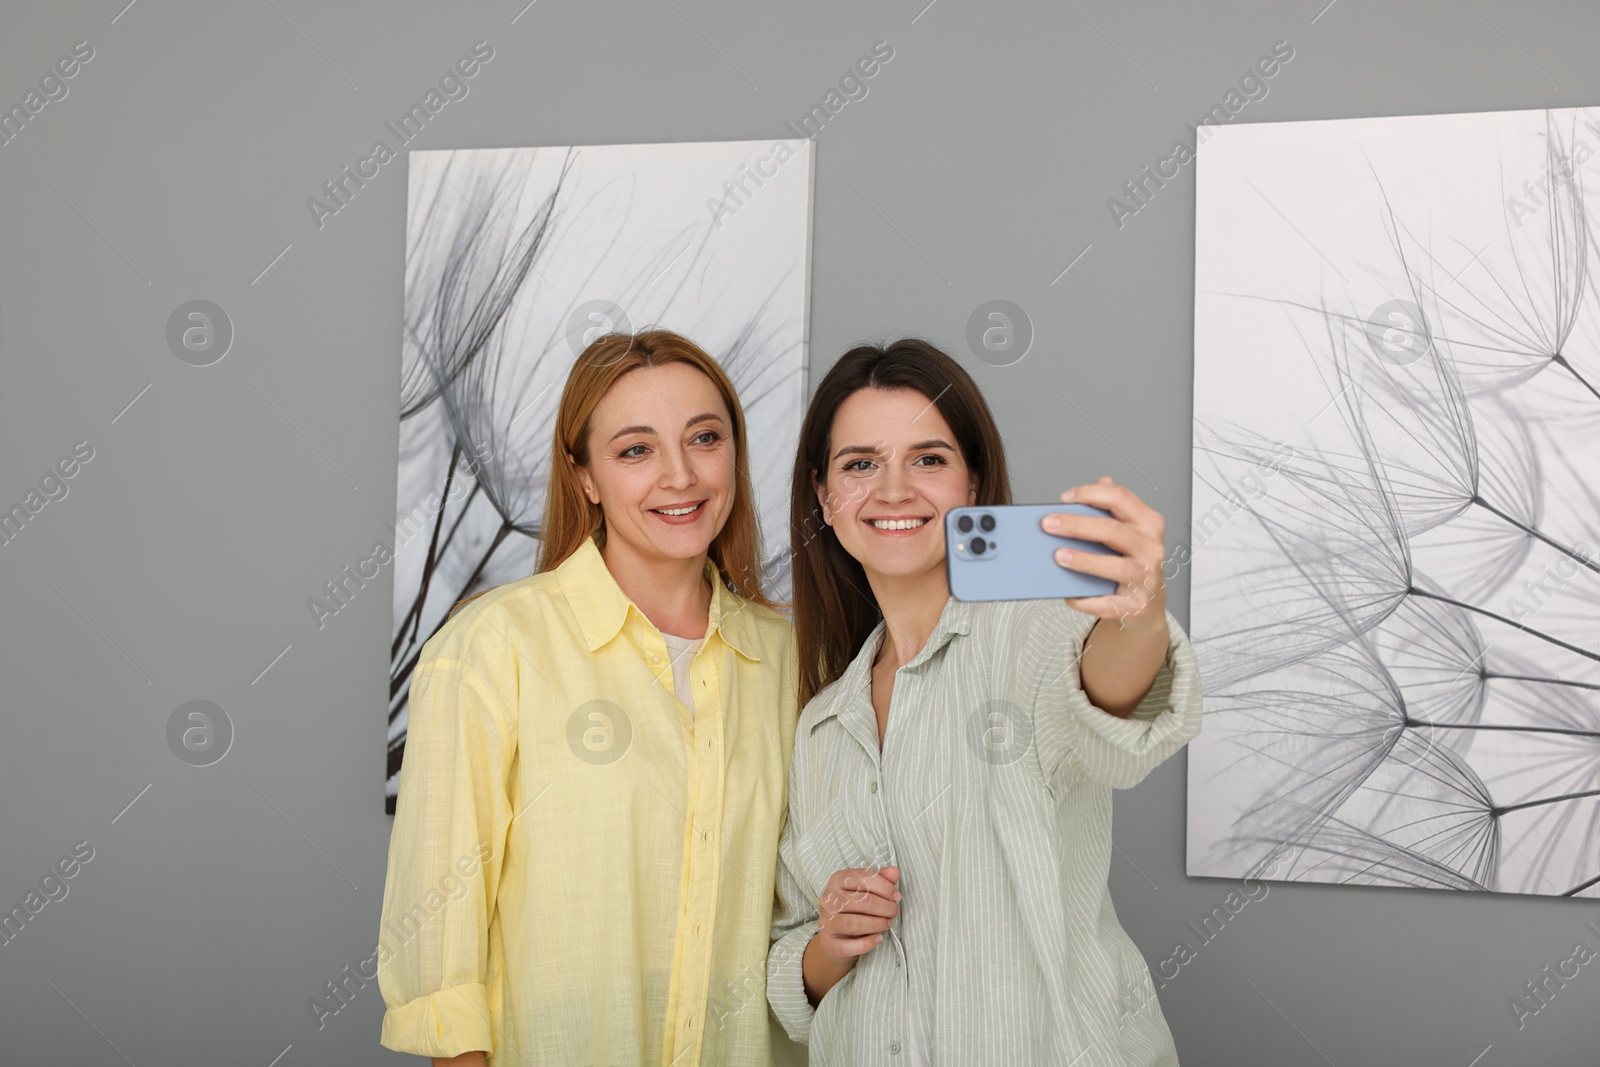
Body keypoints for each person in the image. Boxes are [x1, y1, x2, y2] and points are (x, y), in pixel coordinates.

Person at [766, 338, 1203, 1066]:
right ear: (823, 496)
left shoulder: (1037, 632)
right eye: (860, 464)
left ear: (972, 484)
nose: (895, 489)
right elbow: (792, 967)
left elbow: (1111, 704)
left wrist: (1139, 611)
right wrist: (828, 944)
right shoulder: (820, 725)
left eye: (928, 459)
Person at [376, 330, 805, 1065]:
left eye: (704, 438)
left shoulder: (796, 659)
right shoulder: (490, 648)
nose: (680, 475)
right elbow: (441, 960)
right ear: (584, 477)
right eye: (636, 450)